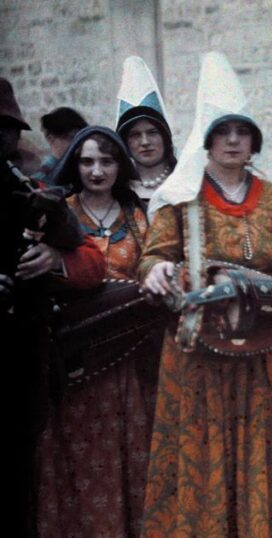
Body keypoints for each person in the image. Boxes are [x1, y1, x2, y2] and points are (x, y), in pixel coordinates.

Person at [139, 53, 272, 536]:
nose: (233, 140)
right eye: (224, 132)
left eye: (242, 132)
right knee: (203, 452)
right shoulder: (182, 197)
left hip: (265, 348)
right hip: (200, 353)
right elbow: (154, 253)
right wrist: (158, 268)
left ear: (253, 142)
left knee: (268, 448)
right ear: (208, 139)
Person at [1, 76, 106, 537]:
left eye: (7, 127)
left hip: (21, 354)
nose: (2, 136)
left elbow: (78, 245)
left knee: (19, 468)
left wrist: (56, 252)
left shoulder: (23, 184)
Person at [36, 126, 151, 537]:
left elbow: (151, 267)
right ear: (75, 164)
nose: (97, 170)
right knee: (76, 456)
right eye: (87, 161)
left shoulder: (137, 217)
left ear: (120, 165)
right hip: (73, 356)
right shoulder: (56, 211)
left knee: (128, 451)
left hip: (125, 357)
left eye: (106, 161)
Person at [115, 56, 177, 204]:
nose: (145, 142)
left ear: (164, 137)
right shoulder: (117, 191)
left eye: (152, 132)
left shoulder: (184, 185)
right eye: (135, 135)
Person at [34, 106, 88, 183]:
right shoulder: (41, 178)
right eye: (71, 138)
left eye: (81, 138)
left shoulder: (80, 170)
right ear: (51, 138)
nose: (77, 143)